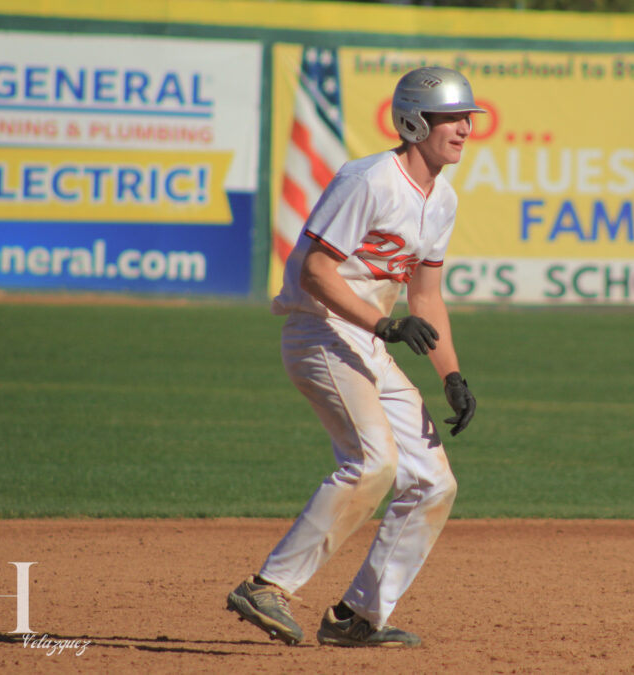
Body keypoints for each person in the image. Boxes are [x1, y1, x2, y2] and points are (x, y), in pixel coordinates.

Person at [226, 66, 480, 649]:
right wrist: (385, 323)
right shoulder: (368, 180)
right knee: (372, 463)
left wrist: (452, 376)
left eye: (468, 118)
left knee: (434, 482)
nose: (466, 128)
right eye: (452, 117)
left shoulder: (441, 198)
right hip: (319, 333)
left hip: (366, 341)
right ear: (416, 121)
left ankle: (357, 617)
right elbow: (316, 270)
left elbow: (426, 295)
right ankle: (268, 586)